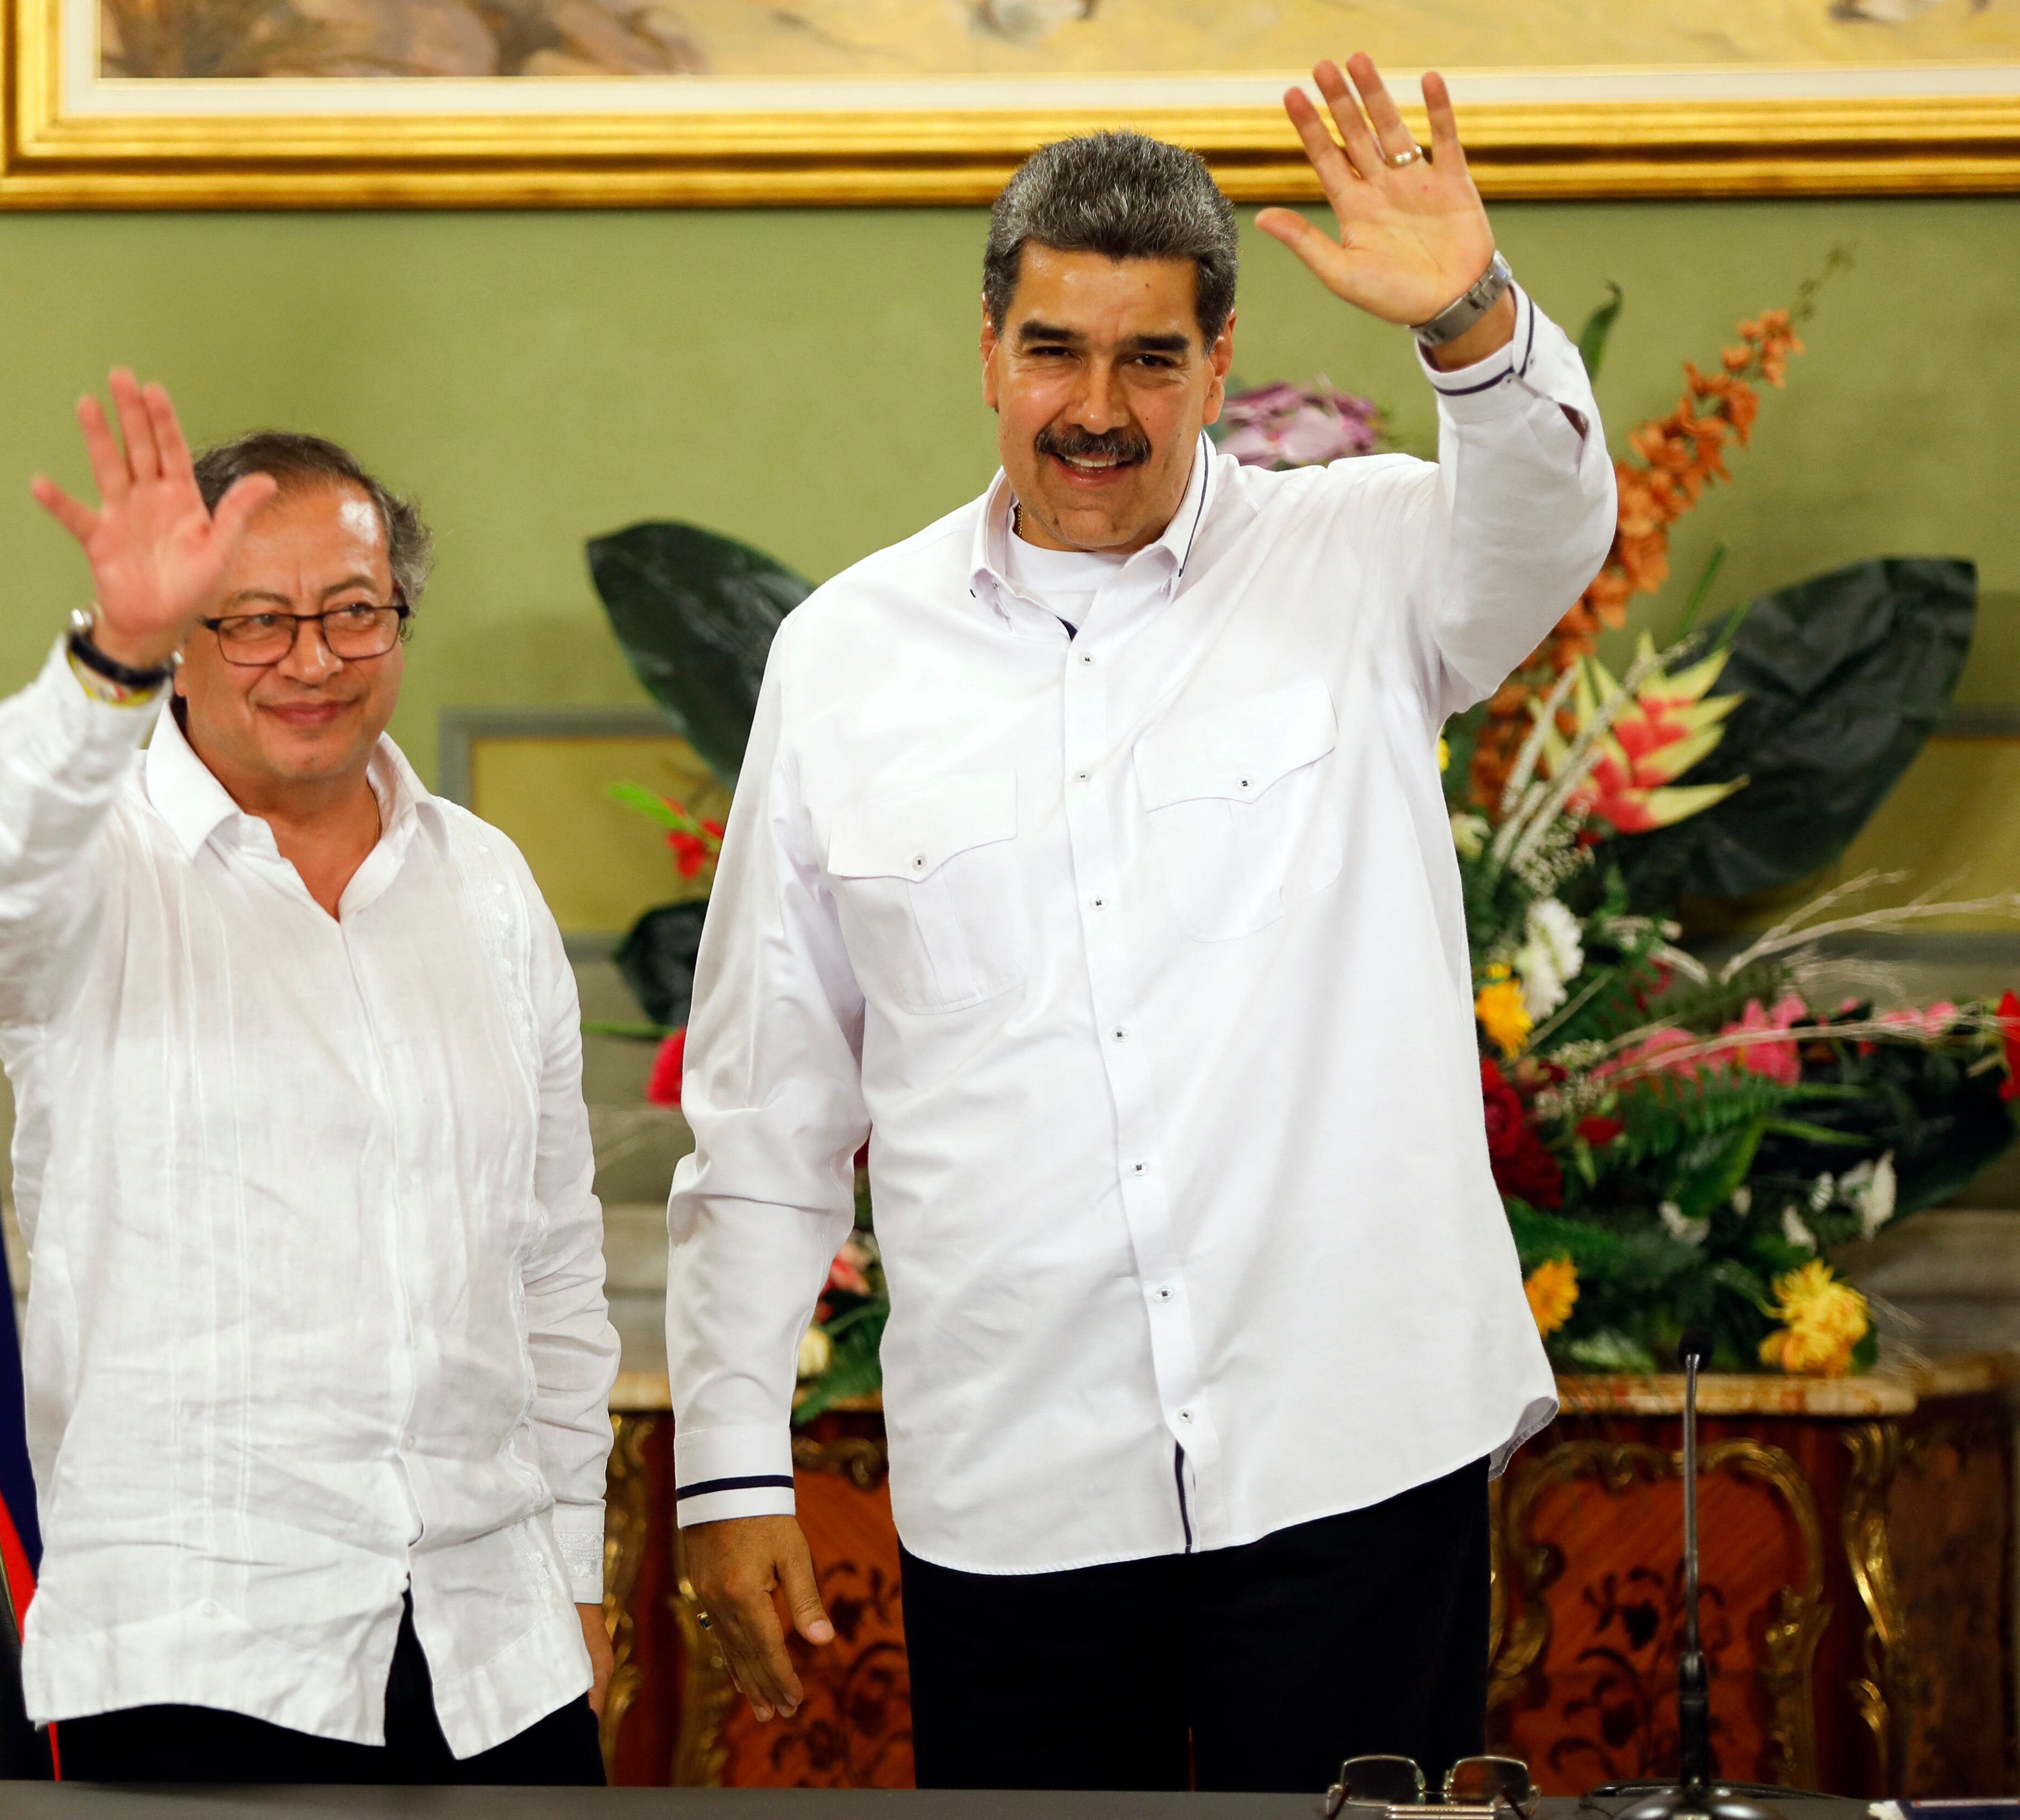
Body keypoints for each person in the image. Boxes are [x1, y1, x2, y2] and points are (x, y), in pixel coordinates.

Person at [666, 59, 1617, 1792]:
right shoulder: (845, 661)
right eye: (1056, 352)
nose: (1096, 407)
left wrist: (1471, 317)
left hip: (1352, 1452)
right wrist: (731, 1466)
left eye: (1150, 359)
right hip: (1019, 1483)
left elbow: (1554, 523)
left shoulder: (1373, 561)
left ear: (1218, 366)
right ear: (987, 352)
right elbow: (770, 1097)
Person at [0, 374, 617, 1785]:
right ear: (183, 642)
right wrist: (107, 651)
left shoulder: (483, 881)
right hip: (206, 1644)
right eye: (253, 620)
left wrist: (574, 1572)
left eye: (354, 609)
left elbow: (552, 1268)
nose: (315, 657)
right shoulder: (86, 870)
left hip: (493, 1653)